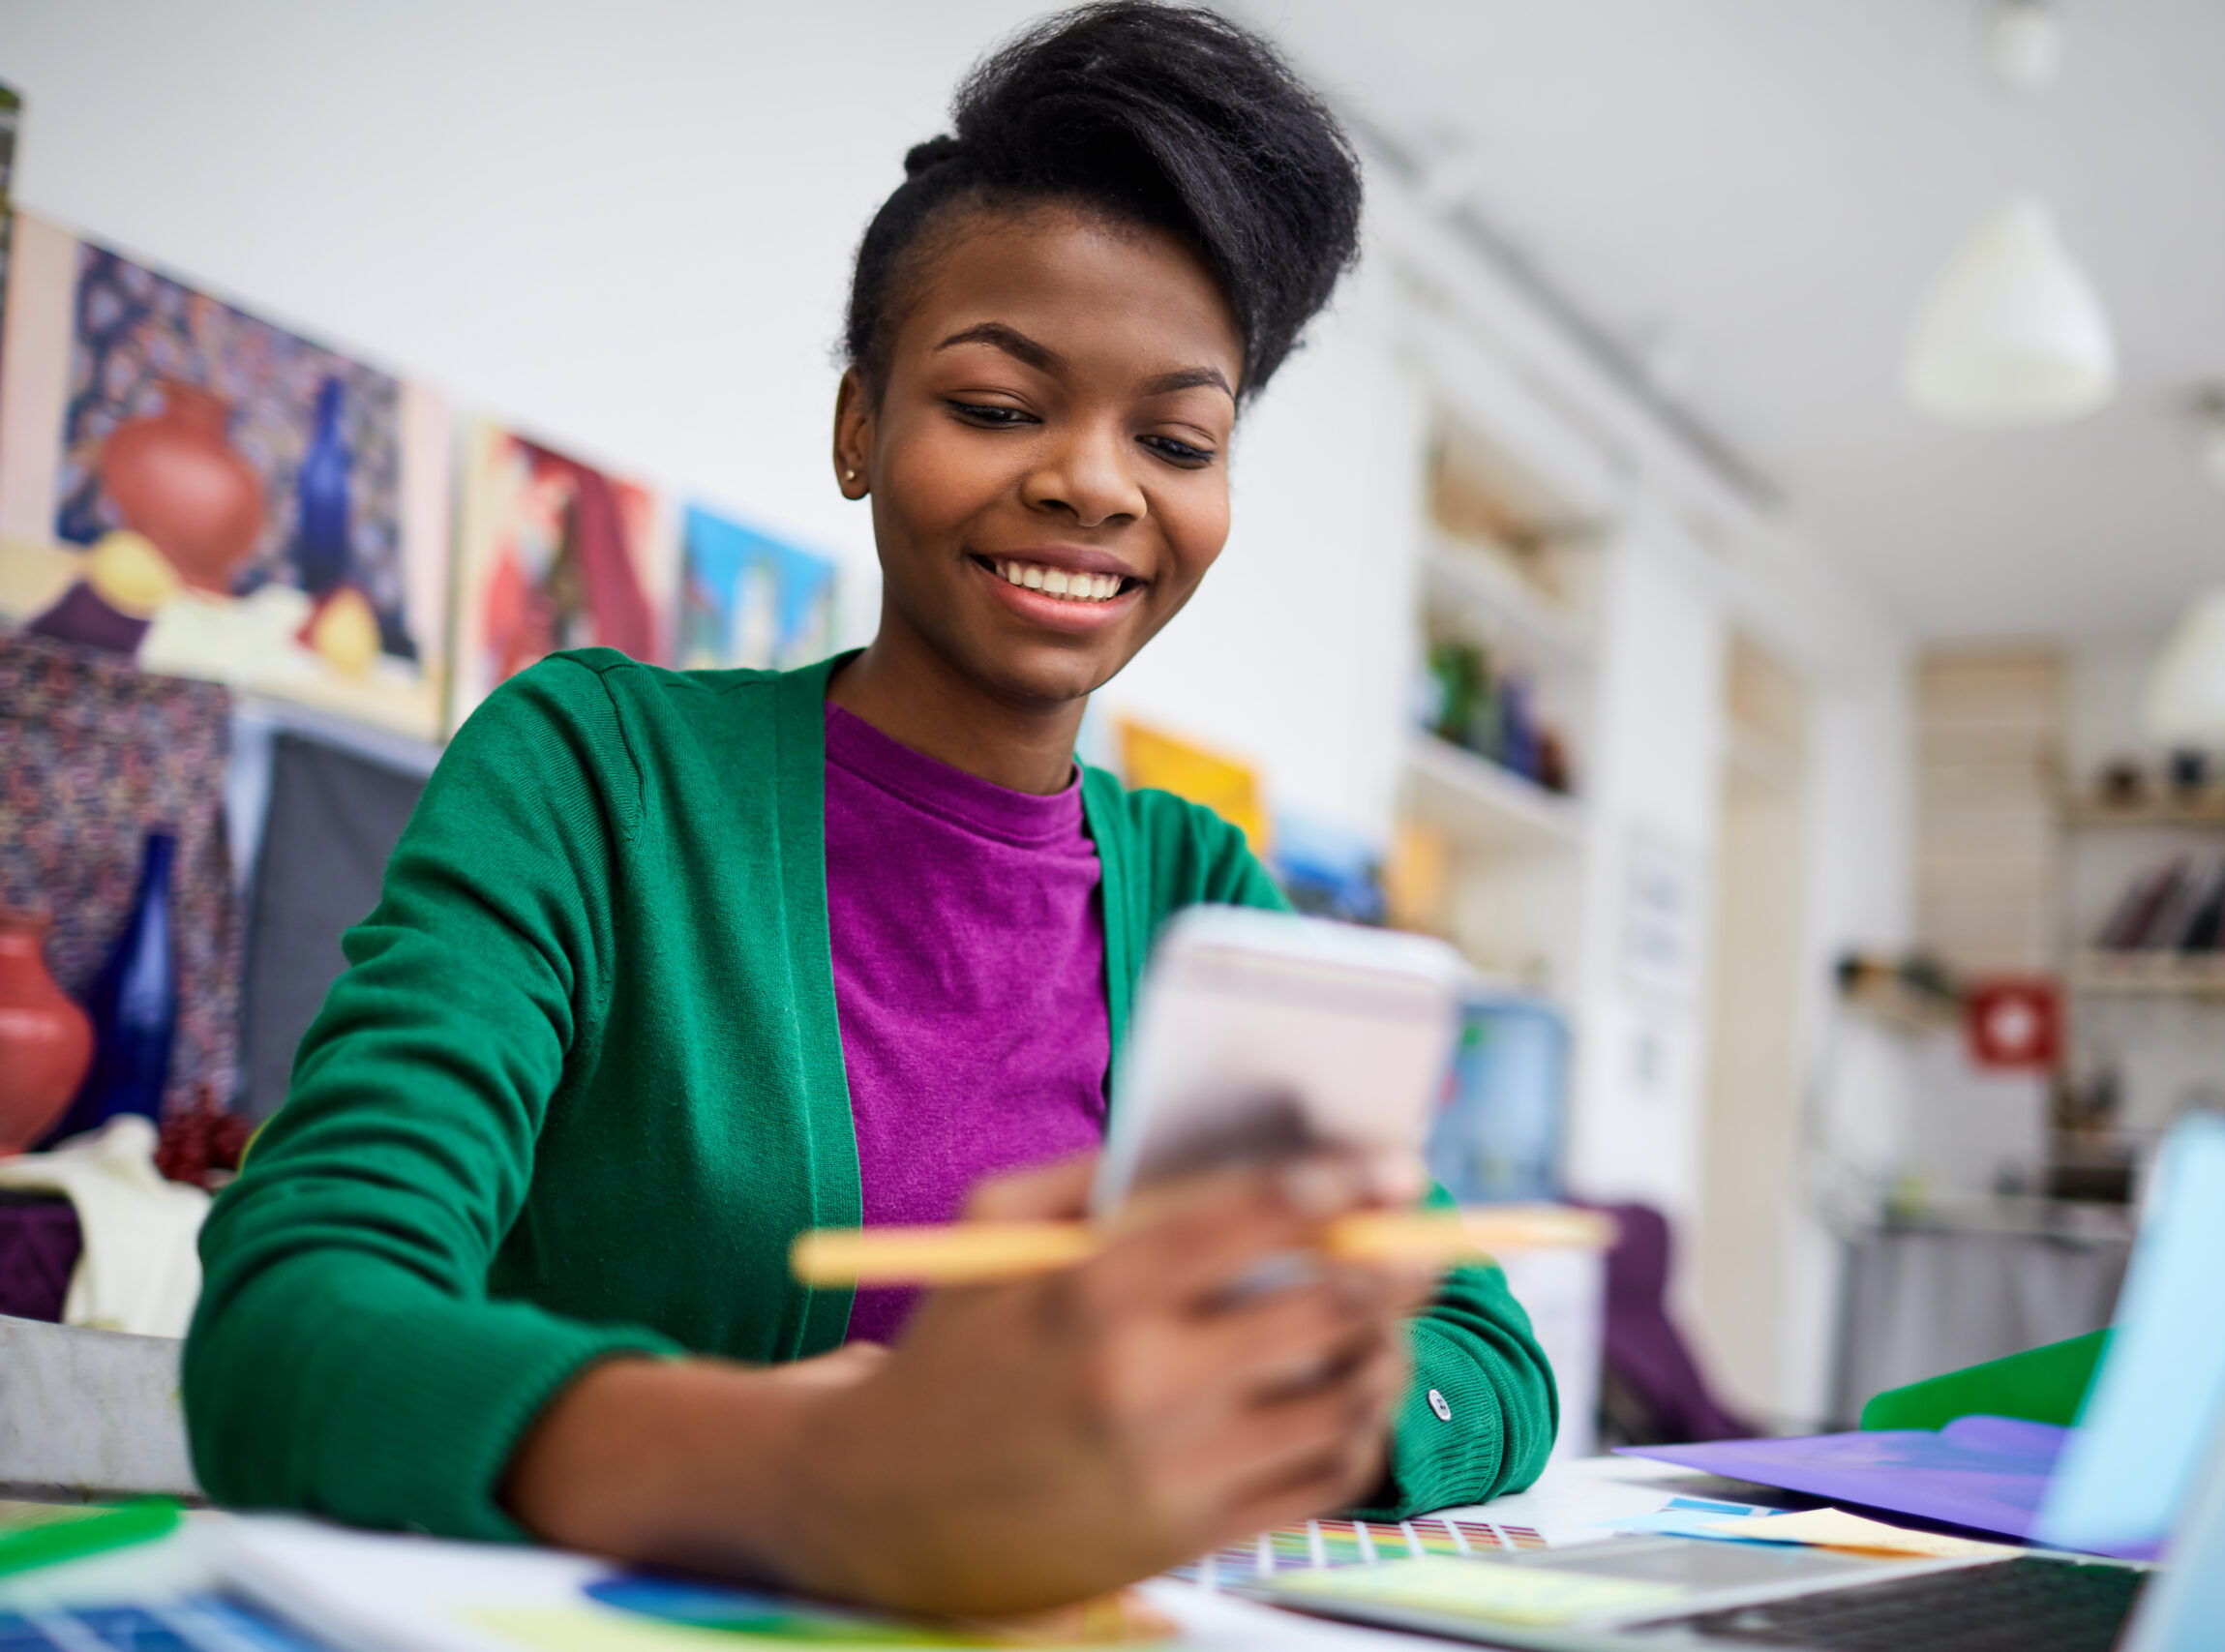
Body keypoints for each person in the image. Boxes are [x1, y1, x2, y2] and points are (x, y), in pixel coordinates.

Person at [183, 2, 1555, 1618]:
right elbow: (290, 1322)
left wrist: (1254, 1409)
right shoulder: (595, 773)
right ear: (861, 425)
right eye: (996, 405)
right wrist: (808, 1474)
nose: (1096, 486)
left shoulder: (1204, 893)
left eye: (1178, 437)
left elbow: (1483, 1358)